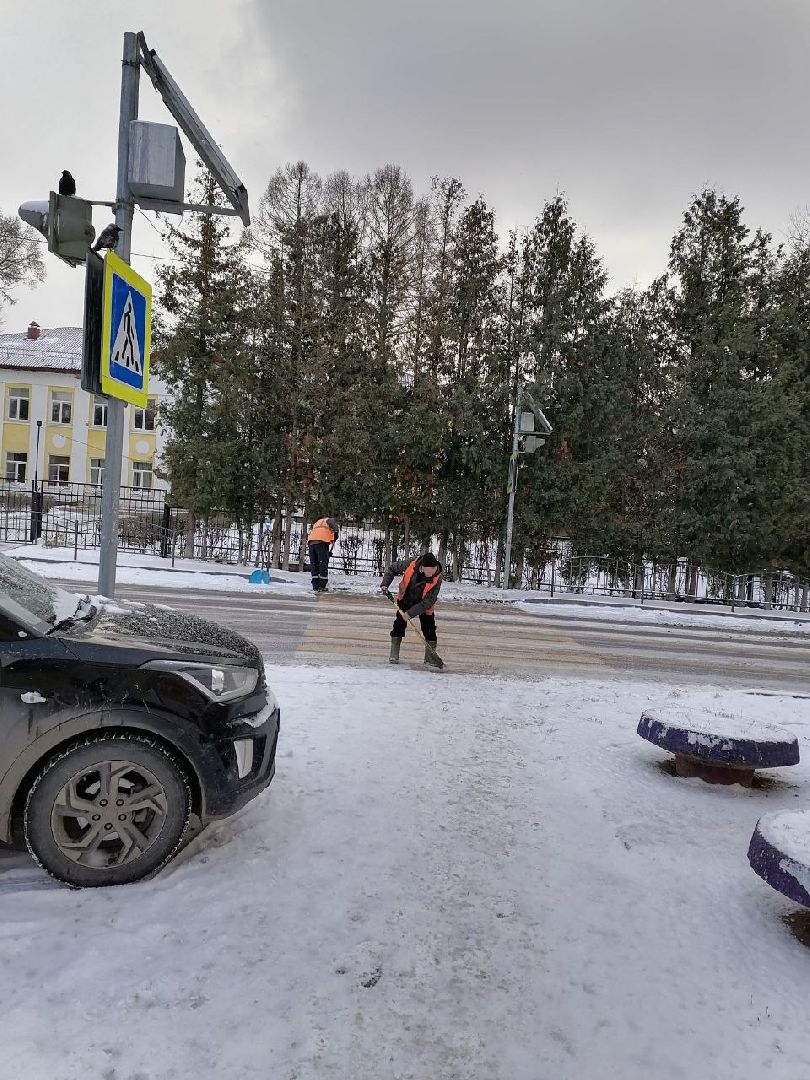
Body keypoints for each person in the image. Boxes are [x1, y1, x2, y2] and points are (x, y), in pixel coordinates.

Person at [380, 551, 443, 668]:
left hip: (424, 605)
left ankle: (430, 658)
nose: (431, 573)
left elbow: (429, 600)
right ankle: (394, 655)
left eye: (433, 570)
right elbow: (392, 569)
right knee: (398, 626)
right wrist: (385, 584)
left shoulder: (438, 577)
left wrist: (410, 613)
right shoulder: (411, 563)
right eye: (428, 570)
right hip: (405, 599)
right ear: (422, 567)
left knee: (429, 630)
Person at [307, 515, 339, 592]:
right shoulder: (329, 520)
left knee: (314, 564)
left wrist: (327, 553)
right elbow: (335, 529)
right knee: (323, 564)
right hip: (321, 542)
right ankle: (322, 586)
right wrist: (336, 534)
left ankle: (315, 586)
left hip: (311, 543)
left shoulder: (317, 523)